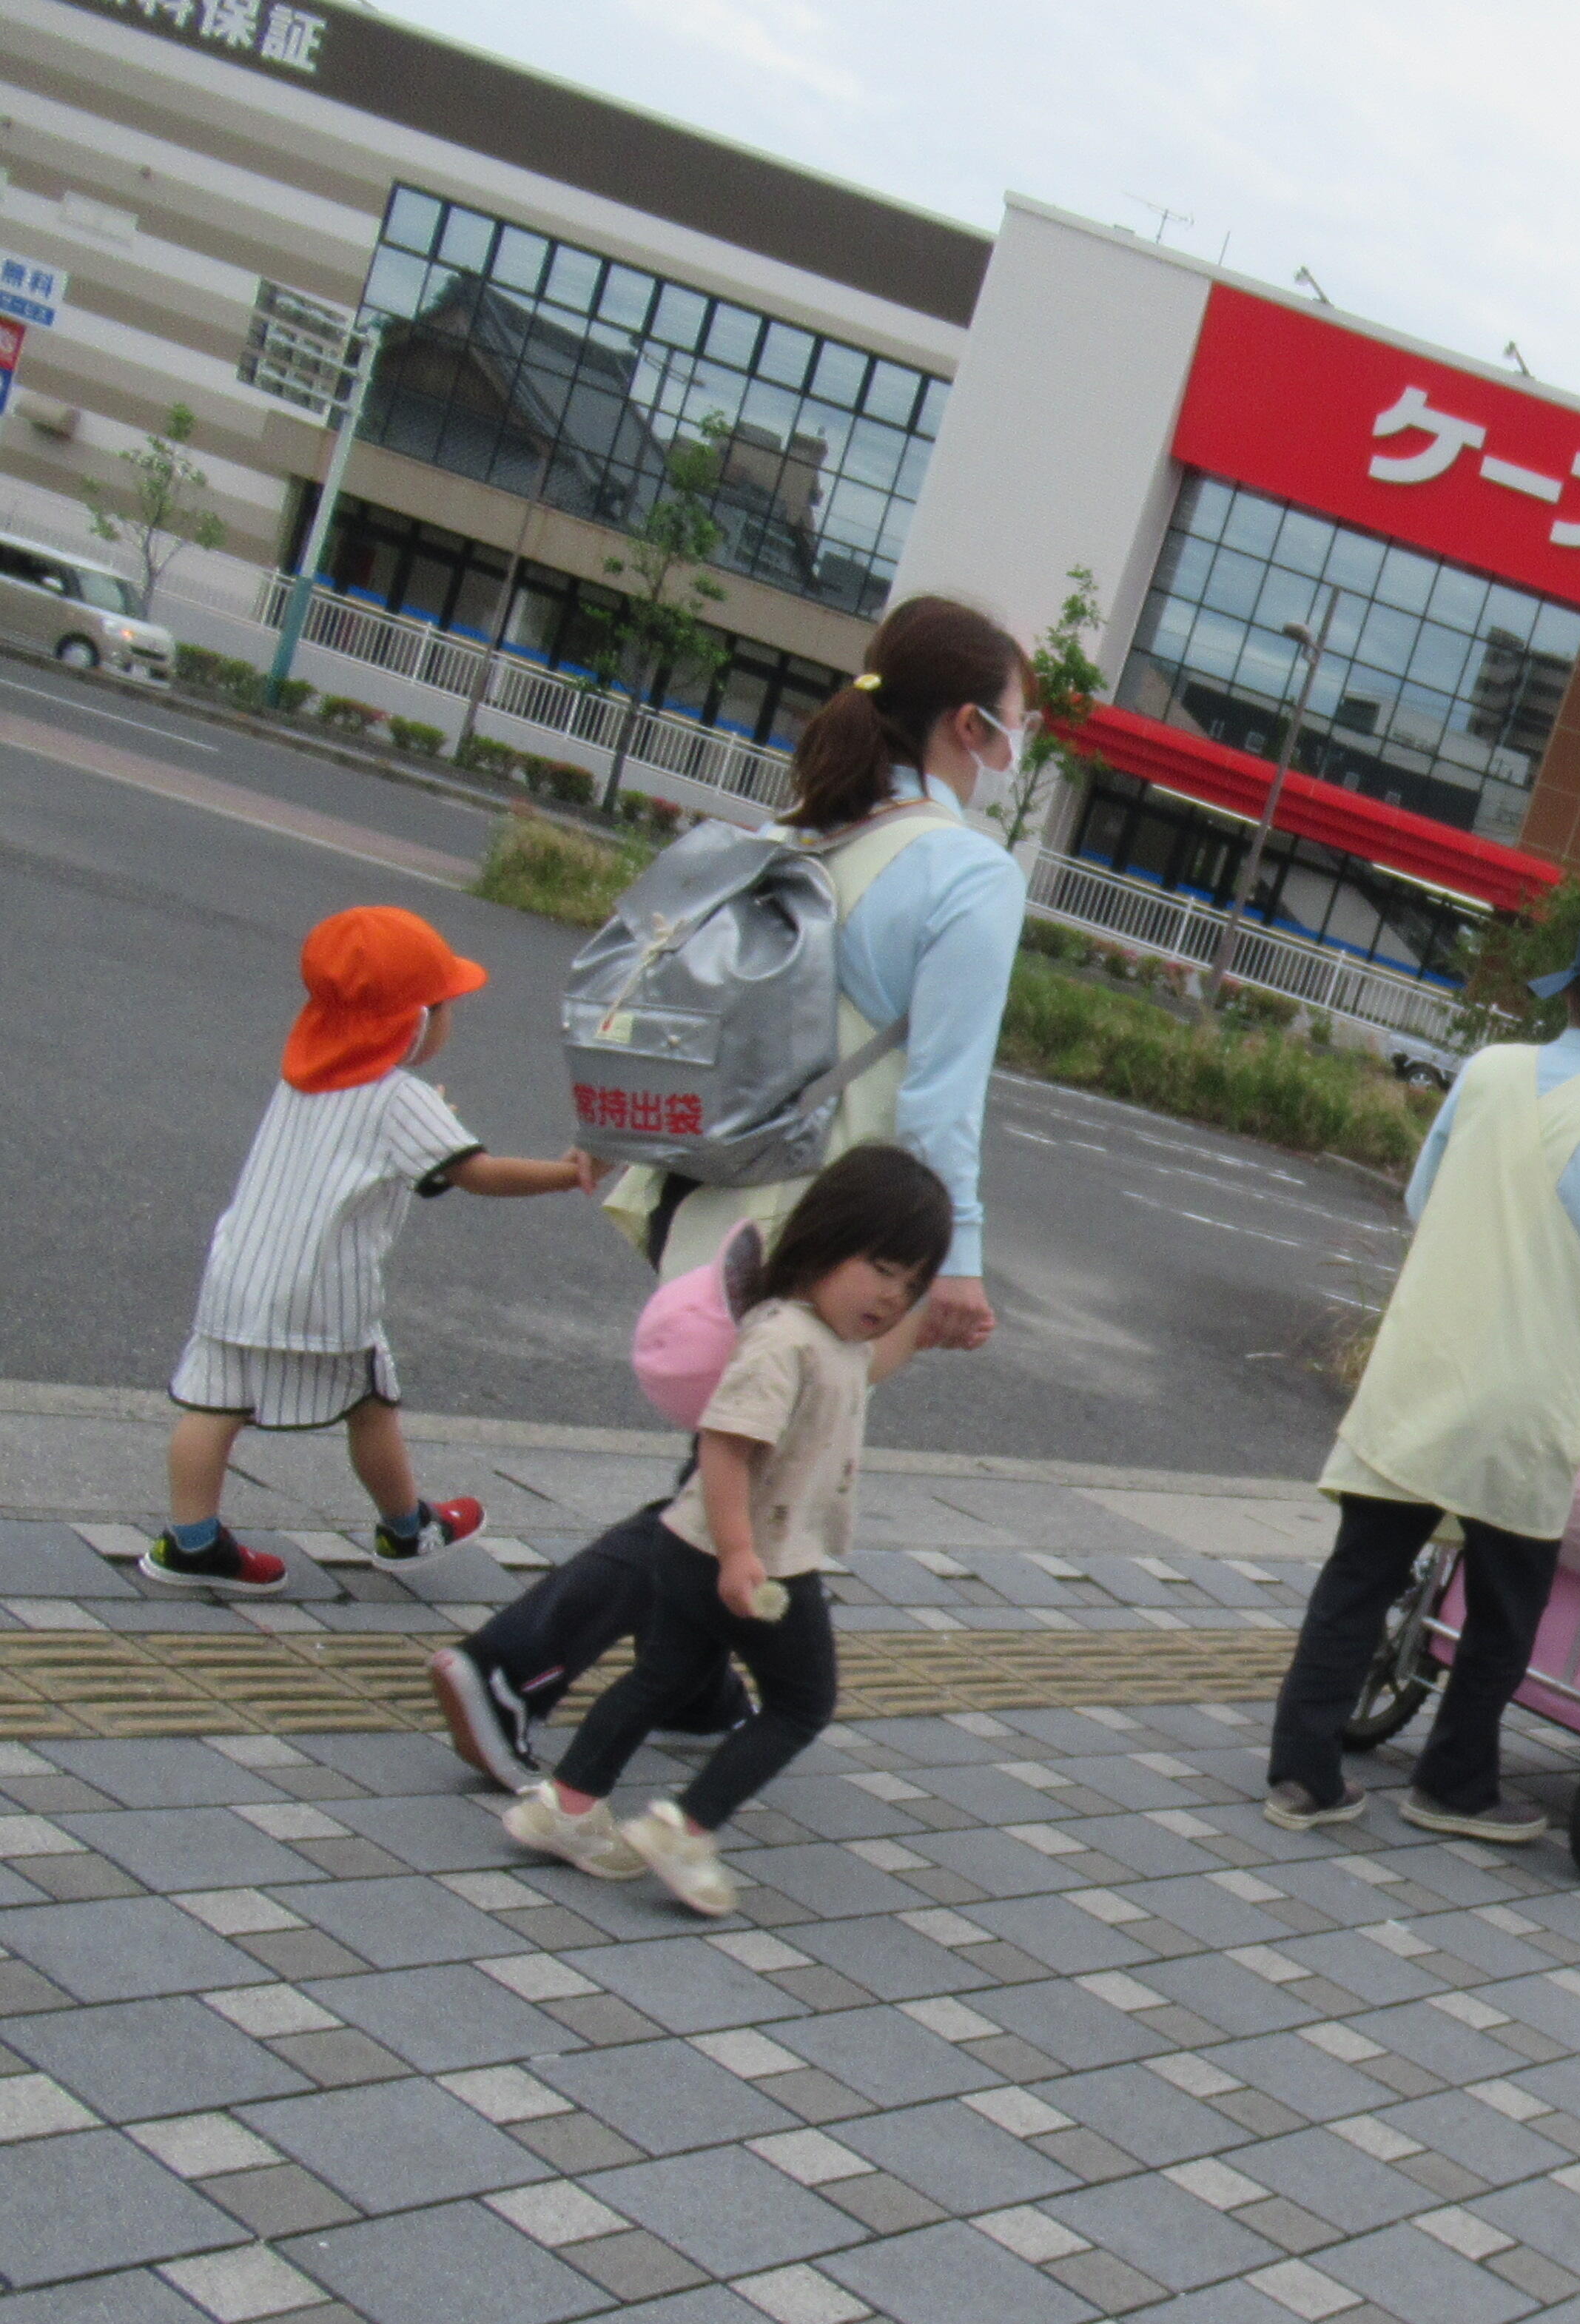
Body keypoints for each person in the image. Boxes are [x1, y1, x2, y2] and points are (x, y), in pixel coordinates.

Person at [432, 597, 1035, 1788]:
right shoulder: (968, 871)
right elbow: (938, 1106)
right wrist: (951, 1263)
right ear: (970, 725)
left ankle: (695, 1678)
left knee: (739, 1445)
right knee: (749, 1467)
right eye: (1020, 723)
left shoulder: (812, 828)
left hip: (706, 1196)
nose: (1023, 748)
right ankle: (513, 1664)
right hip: (826, 1227)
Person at [1262, 913, 1580, 1840]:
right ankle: (1455, 1783)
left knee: (1360, 1575)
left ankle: (1304, 1779)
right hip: (1522, 1388)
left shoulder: (1489, 1068)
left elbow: (1425, 1201)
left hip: (1423, 1363)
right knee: (1508, 1599)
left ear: (1576, 991)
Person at [504, 1146, 948, 1918]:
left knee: (662, 1678)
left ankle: (566, 1807)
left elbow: (858, 1369)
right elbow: (725, 1441)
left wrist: (930, 1332)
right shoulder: (785, 1338)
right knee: (803, 1702)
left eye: (911, 1284)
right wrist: (742, 1555)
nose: (891, 1295)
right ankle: (688, 1826)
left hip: (696, 1550)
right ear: (827, 1235)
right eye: (881, 1267)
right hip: (755, 1560)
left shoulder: (828, 1337)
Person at [147, 907, 599, 1598]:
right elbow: (476, 1174)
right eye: (443, 1007)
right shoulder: (399, 1100)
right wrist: (570, 1173)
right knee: (370, 1404)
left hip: (239, 1273)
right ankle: (407, 1530)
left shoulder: (302, 1076)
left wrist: (425, 1122)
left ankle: (191, 1543)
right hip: (322, 1289)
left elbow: (369, 1156)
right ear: (411, 1021)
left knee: (213, 1407)